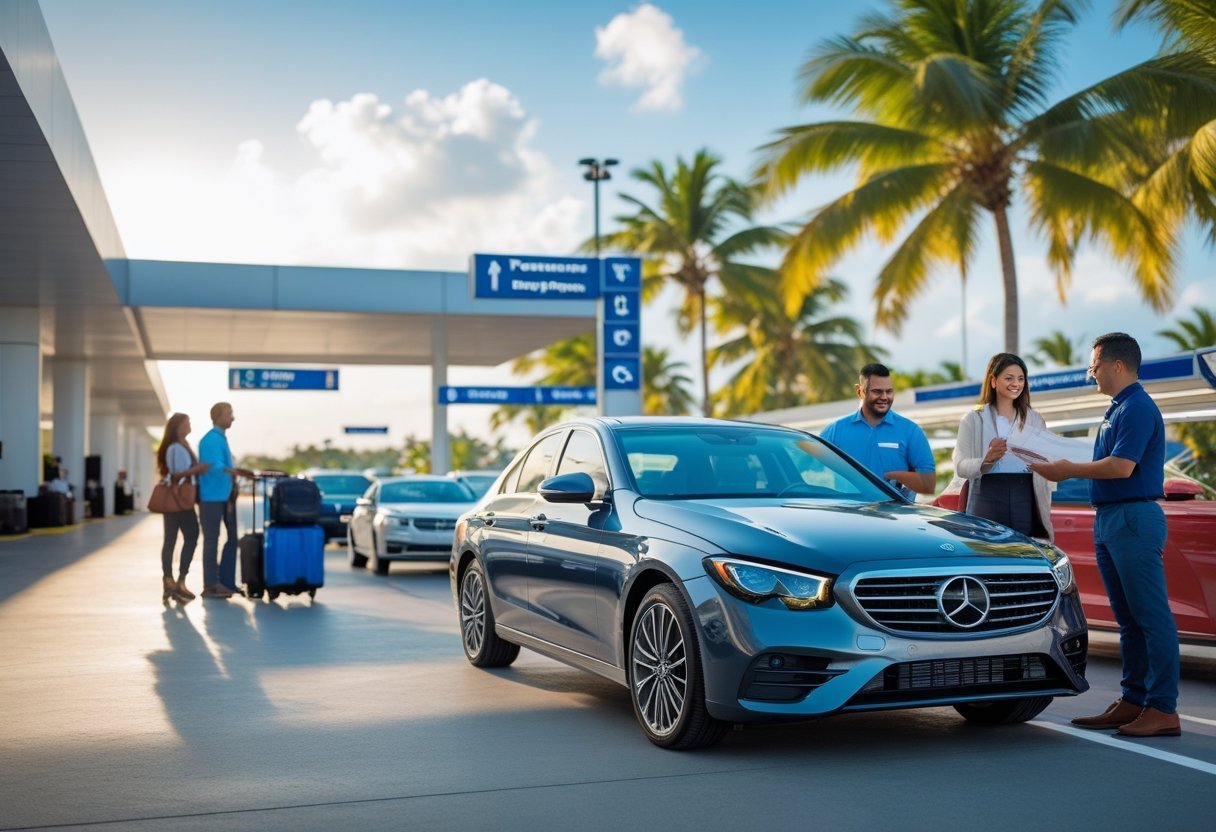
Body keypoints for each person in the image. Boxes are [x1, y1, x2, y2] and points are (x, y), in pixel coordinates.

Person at [1029, 332, 1179, 738]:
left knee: (1150, 617)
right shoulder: (1118, 408)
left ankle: (1163, 707)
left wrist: (1066, 470)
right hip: (1112, 518)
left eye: (1094, 364)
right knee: (1129, 620)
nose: (1090, 372)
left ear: (1117, 365)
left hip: (1132, 517)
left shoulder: (1137, 408)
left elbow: (1121, 467)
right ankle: (1134, 700)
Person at [953, 353, 1053, 540]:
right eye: (1009, 378)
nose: (1016, 383)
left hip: (1025, 496)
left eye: (1021, 379)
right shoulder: (974, 420)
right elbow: (960, 466)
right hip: (986, 495)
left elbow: (1045, 460)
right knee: (988, 555)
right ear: (993, 380)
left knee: (1024, 555)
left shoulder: (1035, 419)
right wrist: (986, 460)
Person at [820, 363, 935, 498]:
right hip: (848, 515)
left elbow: (927, 482)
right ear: (859, 391)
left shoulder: (910, 431)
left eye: (889, 391)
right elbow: (807, 465)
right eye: (877, 391)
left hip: (893, 516)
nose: (885, 397)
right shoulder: (835, 430)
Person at [197, 402, 255, 599]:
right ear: (218, 416)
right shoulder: (210, 440)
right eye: (229, 414)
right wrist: (237, 471)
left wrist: (237, 472)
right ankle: (211, 585)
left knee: (232, 539)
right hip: (211, 498)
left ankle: (226, 582)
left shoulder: (221, 438)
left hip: (225, 496)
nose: (233, 418)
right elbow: (214, 466)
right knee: (212, 540)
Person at [155, 413, 210, 603]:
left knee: (172, 538)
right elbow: (177, 475)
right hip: (179, 500)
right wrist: (198, 469)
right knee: (188, 535)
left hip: (179, 500)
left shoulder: (183, 446)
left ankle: (173, 581)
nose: (190, 425)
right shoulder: (176, 448)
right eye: (187, 422)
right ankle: (175, 580)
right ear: (178, 426)